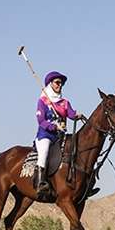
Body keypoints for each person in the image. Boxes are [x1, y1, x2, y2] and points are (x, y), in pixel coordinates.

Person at [35, 71, 85, 199]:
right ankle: (41, 183)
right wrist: (53, 126)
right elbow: (41, 121)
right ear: (50, 84)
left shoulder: (65, 102)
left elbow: (71, 114)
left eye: (61, 83)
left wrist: (77, 115)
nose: (60, 85)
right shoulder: (43, 101)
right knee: (44, 151)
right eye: (57, 82)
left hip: (60, 137)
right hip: (45, 135)